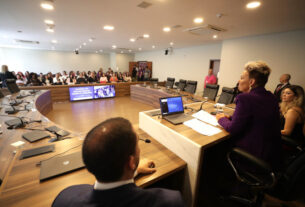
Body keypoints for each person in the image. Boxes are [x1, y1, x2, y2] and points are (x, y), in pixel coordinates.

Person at [52, 118, 184, 207]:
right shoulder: (171, 201)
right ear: (131, 162)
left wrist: (135, 171)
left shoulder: (64, 198)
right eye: (137, 144)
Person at [216, 61, 282, 170]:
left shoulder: (244, 98)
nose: (239, 81)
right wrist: (232, 118)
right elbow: (257, 118)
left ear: (251, 82)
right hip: (272, 154)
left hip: (252, 154)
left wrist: (221, 119)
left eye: (241, 78)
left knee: (217, 149)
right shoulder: (271, 97)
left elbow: (233, 129)